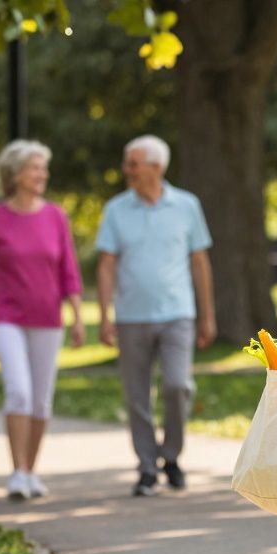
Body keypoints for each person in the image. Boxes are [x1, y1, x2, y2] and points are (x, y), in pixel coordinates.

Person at [95, 135, 215, 497]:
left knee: (178, 386)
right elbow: (106, 264)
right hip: (131, 315)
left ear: (157, 167)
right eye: (127, 163)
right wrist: (103, 315)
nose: (127, 170)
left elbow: (199, 261)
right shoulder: (116, 209)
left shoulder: (186, 205)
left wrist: (207, 315)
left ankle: (172, 456)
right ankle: (147, 467)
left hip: (178, 313)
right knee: (137, 395)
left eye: (134, 163)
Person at [0, 139, 85, 501]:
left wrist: (79, 316)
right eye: (35, 168)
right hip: (4, 316)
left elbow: (69, 269)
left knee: (41, 400)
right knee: (18, 391)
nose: (42, 175)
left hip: (48, 316)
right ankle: (17, 471)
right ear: (15, 173)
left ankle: (31, 471)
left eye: (43, 169)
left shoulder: (55, 216)